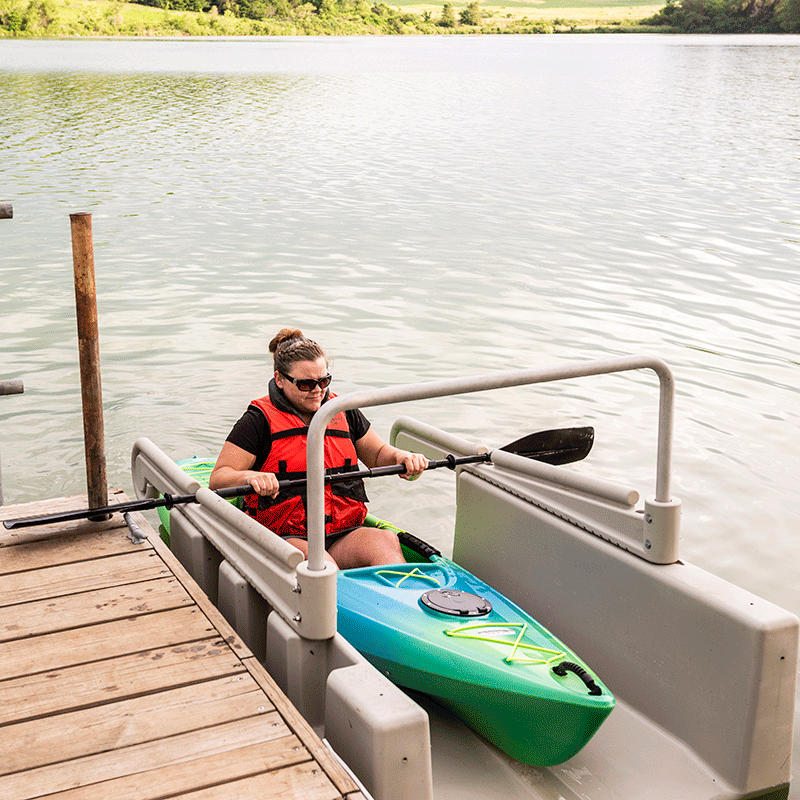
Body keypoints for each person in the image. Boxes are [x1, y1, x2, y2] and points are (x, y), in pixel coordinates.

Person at [209, 328, 427, 569]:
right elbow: (218, 478)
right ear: (279, 379)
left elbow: (377, 455)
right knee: (321, 564)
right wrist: (250, 477)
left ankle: (397, 592)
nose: (317, 390)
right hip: (285, 536)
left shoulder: (343, 410)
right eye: (306, 384)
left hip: (343, 531)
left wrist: (401, 457)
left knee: (385, 542)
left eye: (324, 381)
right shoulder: (257, 421)